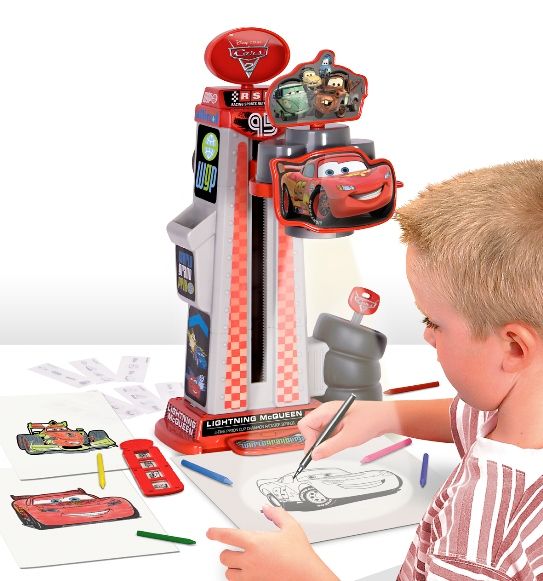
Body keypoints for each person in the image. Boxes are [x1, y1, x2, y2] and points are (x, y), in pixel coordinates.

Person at [207, 160, 543, 580]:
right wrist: (385, 415)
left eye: (433, 322)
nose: (428, 336)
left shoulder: (480, 535)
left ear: (514, 347)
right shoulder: (522, 412)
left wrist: (303, 574)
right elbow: (471, 417)